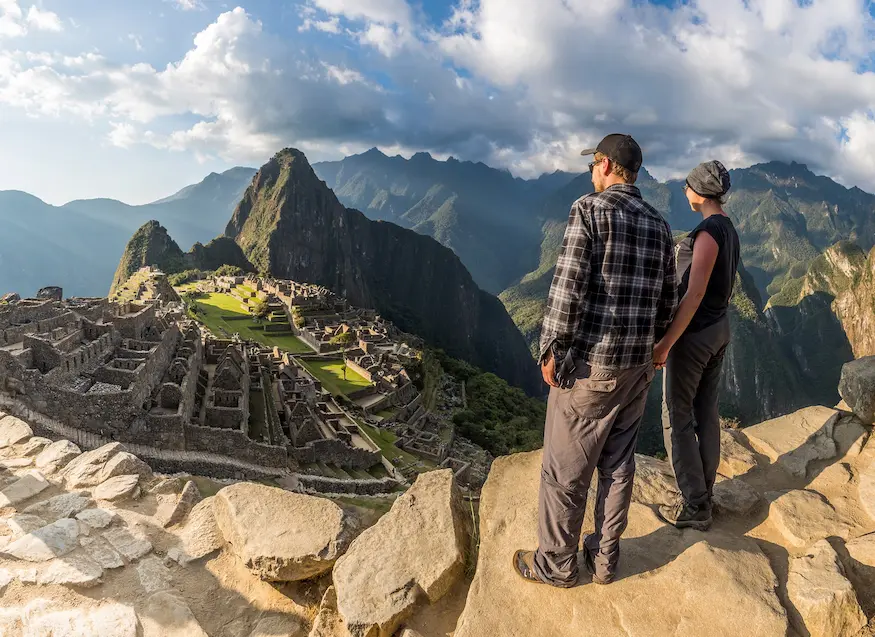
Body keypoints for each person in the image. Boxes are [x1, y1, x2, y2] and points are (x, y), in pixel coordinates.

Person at [512, 134, 677, 588]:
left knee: (565, 470)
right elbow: (668, 300)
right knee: (619, 464)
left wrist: (552, 347)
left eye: (593, 164)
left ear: (605, 165)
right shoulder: (660, 225)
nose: (590, 172)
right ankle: (605, 561)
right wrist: (654, 348)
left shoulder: (589, 210)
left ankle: (556, 565)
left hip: (593, 368)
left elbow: (567, 287)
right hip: (638, 367)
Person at [653, 160, 740, 531]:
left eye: (687, 185)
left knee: (677, 416)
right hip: (719, 329)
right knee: (706, 411)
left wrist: (666, 343)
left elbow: (695, 291)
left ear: (699, 191)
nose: (684, 190)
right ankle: (704, 492)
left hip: (696, 335)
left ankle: (694, 504)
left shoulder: (707, 233)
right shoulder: (729, 229)